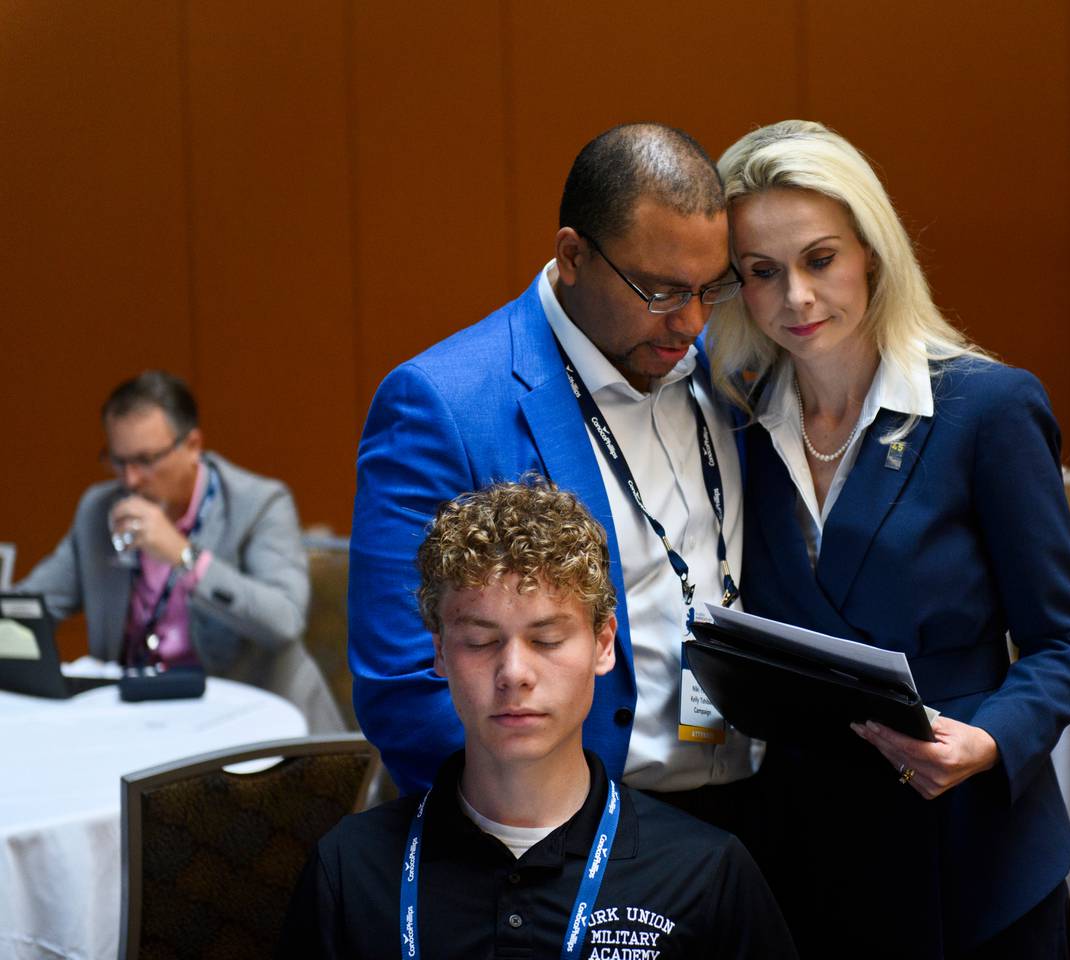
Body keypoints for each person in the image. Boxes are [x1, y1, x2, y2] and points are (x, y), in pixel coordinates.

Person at [706, 120, 1070, 958]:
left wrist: (992, 738)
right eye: (762, 273)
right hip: (805, 849)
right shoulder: (739, 427)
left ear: (873, 254)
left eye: (820, 260)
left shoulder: (987, 409)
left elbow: (1065, 639)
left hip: (964, 842)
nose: (797, 300)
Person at [348, 123, 759, 816]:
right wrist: (553, 832)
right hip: (573, 830)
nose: (689, 322)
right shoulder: (444, 404)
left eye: (708, 289)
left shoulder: (734, 368)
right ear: (572, 256)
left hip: (757, 811)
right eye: (659, 292)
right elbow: (405, 684)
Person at [281, 483, 796, 959]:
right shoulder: (350, 871)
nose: (514, 673)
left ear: (602, 644)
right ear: (439, 653)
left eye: (547, 639)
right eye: (480, 641)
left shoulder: (704, 875)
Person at [17, 370, 341, 729]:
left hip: (257, 725)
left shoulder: (259, 504)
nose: (130, 480)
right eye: (118, 461)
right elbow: (32, 607)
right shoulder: (99, 511)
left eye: (146, 460)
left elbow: (284, 620)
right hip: (145, 724)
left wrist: (185, 558)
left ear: (193, 446)